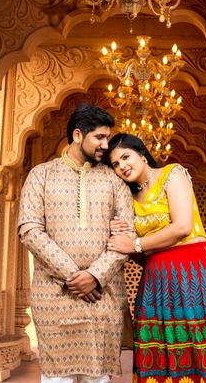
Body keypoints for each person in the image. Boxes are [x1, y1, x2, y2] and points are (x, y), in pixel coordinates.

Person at [18, 103, 136, 383]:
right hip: (55, 295)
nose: (106, 145)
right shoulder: (41, 175)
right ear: (78, 135)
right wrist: (74, 276)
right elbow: (30, 230)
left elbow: (127, 235)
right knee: (56, 378)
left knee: (97, 379)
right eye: (100, 137)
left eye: (108, 138)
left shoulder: (114, 179)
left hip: (102, 296)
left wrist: (95, 276)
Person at [105, 133, 206, 383]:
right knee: (159, 352)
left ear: (141, 154)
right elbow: (142, 255)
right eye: (115, 164)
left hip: (192, 275)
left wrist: (134, 243)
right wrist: (126, 244)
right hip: (155, 280)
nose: (122, 166)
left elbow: (182, 227)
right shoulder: (127, 199)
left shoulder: (172, 174)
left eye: (125, 157)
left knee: (195, 347)